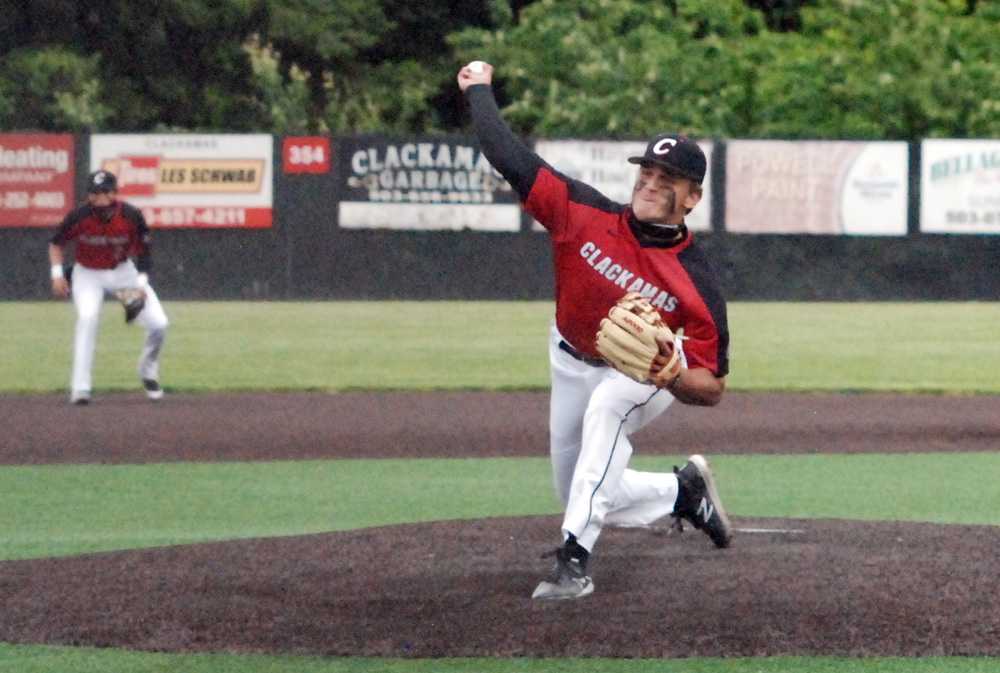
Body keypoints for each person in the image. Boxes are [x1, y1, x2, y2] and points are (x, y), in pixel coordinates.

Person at [458, 62, 733, 600]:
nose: (652, 186)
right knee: (582, 488)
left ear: (692, 197)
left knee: (608, 409)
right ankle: (682, 493)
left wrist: (674, 374)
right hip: (568, 357)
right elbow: (508, 156)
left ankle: (573, 562)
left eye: (667, 181)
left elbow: (714, 386)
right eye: (647, 176)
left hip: (645, 371)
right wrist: (479, 90)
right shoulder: (581, 214)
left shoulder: (697, 282)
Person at [49, 169, 169, 405]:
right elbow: (56, 244)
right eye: (95, 192)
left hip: (123, 275)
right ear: (89, 196)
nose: (100, 197)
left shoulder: (131, 215)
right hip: (88, 275)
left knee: (159, 324)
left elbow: (144, 253)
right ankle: (80, 388)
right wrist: (56, 275)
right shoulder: (79, 216)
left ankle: (147, 370)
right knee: (87, 318)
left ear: (115, 193)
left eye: (105, 191)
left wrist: (141, 284)